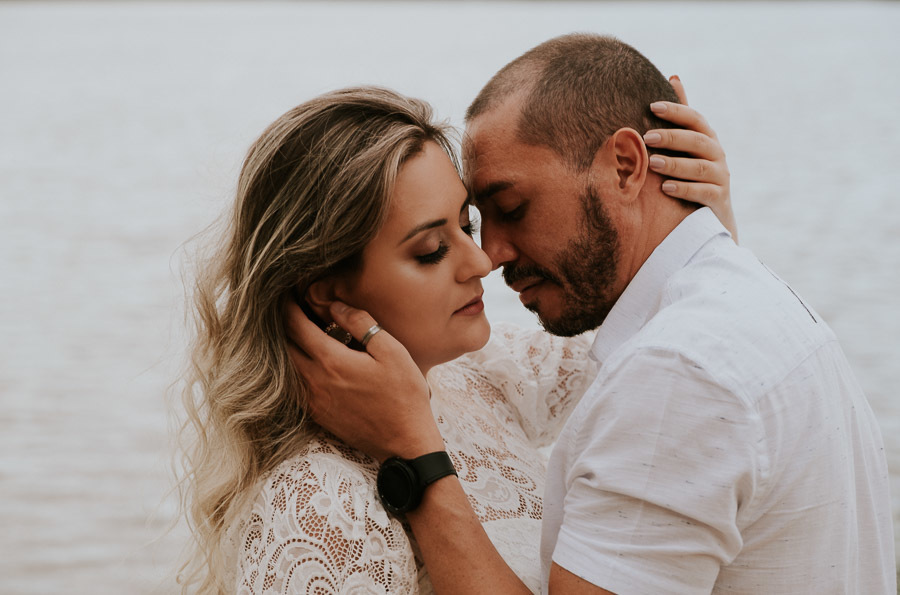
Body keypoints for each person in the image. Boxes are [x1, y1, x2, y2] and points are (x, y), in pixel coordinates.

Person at [288, 34, 896, 594]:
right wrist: (702, 220)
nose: (489, 256)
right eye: (470, 224)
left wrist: (414, 460)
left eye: (512, 208)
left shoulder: (677, 373)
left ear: (627, 166)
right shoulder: (755, 300)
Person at [175, 78, 734, 592]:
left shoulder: (485, 376)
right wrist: (415, 459)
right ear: (326, 291)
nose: (482, 260)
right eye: (431, 250)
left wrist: (696, 213)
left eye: (464, 224)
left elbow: (668, 365)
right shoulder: (314, 509)